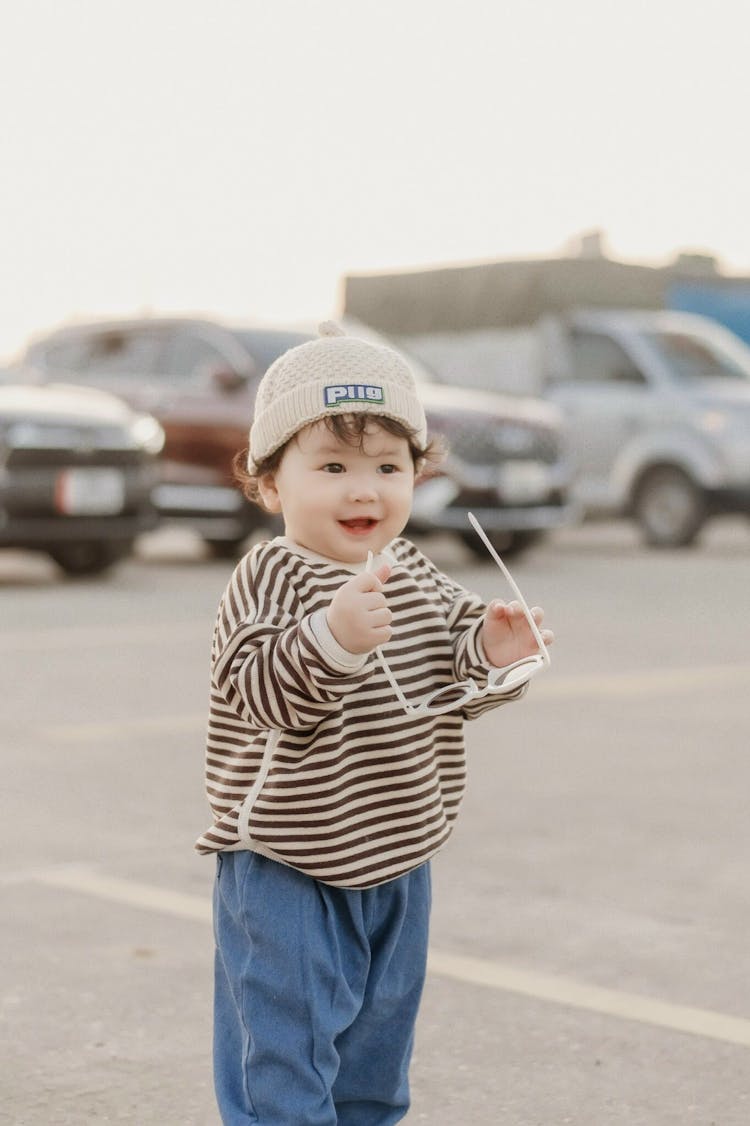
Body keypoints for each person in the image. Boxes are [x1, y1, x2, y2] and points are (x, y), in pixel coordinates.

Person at [196, 322, 553, 1126]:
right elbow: (261, 691)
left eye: (389, 467)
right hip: (287, 863)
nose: (365, 490)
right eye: (332, 467)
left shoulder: (415, 572)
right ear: (270, 482)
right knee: (284, 1072)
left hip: (399, 856)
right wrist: (332, 637)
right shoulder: (270, 575)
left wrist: (498, 650)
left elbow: (460, 677)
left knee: (375, 1064)